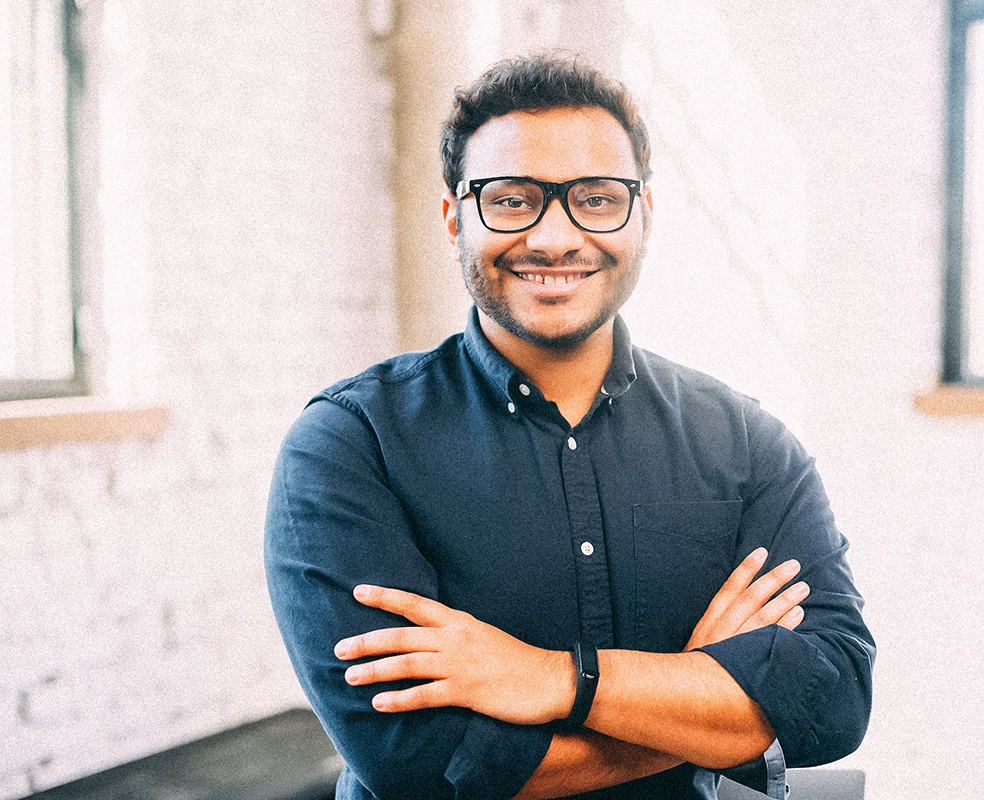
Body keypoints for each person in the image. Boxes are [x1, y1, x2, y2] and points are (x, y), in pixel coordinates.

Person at [265, 54, 874, 800]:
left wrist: (552, 679)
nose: (555, 238)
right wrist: (695, 698)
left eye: (595, 198)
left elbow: (831, 702)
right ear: (457, 218)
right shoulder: (354, 445)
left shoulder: (748, 446)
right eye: (514, 199)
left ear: (644, 216)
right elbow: (419, 764)